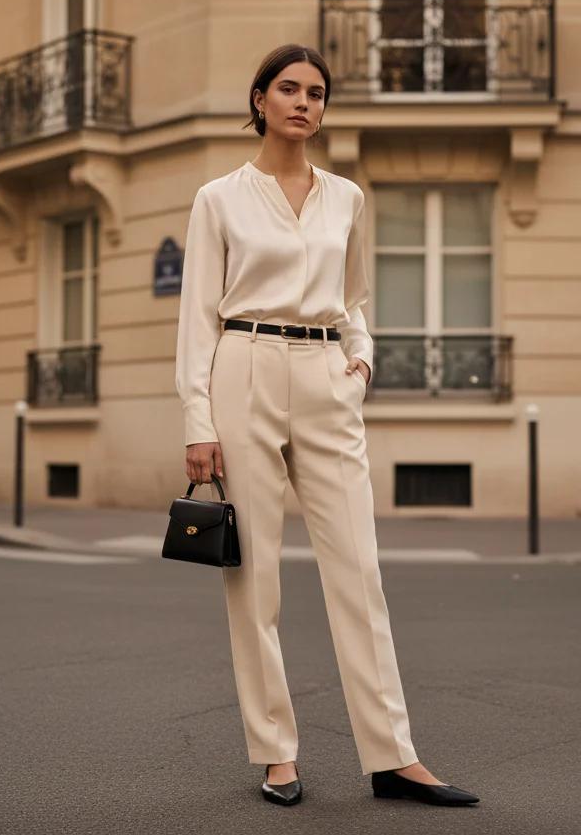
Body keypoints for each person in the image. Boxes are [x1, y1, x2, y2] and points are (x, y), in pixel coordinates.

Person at [174, 43, 479, 809]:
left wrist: (362, 363)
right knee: (256, 579)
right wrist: (196, 421)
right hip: (243, 366)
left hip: (325, 377)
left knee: (360, 574)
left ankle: (393, 756)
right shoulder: (219, 198)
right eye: (288, 89)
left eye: (316, 92)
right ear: (259, 100)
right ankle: (276, 752)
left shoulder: (347, 198)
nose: (304, 103)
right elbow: (195, 323)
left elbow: (355, 301)